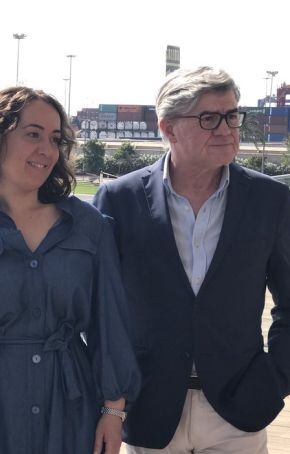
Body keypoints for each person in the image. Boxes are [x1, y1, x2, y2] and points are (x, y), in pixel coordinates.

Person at [94, 66, 290, 453]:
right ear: (168, 129)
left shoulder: (271, 200)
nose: (227, 128)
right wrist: (113, 403)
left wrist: (276, 377)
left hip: (238, 412)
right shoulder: (119, 199)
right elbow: (103, 312)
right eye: (209, 118)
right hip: (149, 408)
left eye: (232, 115)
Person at [0, 87, 140, 454]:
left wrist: (113, 410)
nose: (47, 150)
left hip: (69, 402)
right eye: (32, 134)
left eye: (55, 139)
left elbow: (110, 325)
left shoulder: (89, 226)